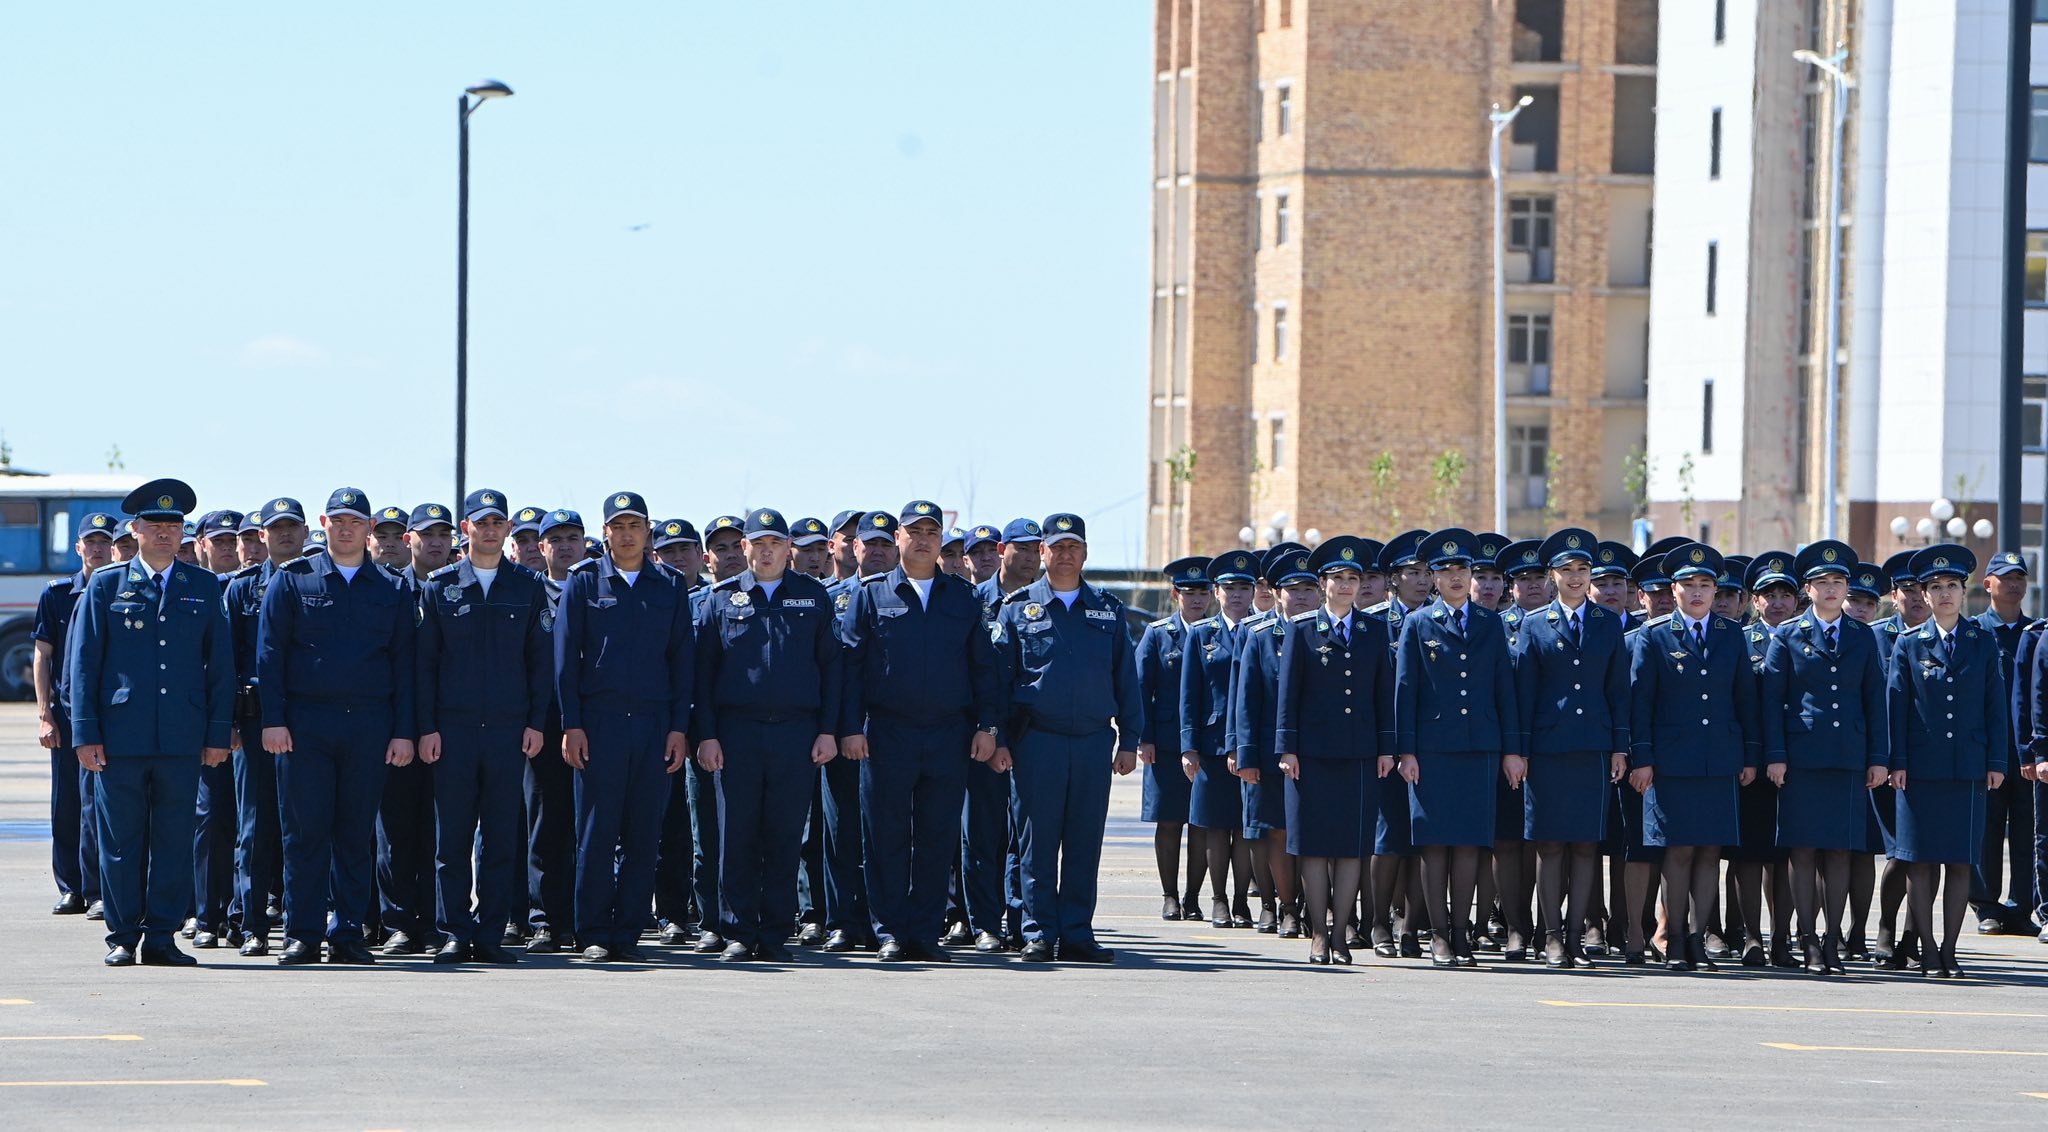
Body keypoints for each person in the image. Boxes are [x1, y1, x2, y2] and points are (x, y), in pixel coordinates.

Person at [65, 479, 234, 967]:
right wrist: (85, 733)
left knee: (174, 839)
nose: (165, 534)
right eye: (155, 526)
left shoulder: (202, 585)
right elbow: (84, 663)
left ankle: (161, 935)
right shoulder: (106, 585)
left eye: (173, 526)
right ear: (135, 530)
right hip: (121, 736)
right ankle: (122, 935)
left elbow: (219, 666)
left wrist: (217, 733)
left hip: (182, 736)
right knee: (120, 840)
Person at [256, 488, 419, 965]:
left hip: (370, 724)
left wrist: (403, 730)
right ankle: (303, 932)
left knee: (354, 833)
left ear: (369, 528)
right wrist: (273, 721)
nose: (346, 528)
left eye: (356, 521)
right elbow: (269, 656)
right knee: (304, 834)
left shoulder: (391, 588)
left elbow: (404, 665)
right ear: (323, 524)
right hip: (306, 725)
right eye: (338, 520)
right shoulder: (293, 580)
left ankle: (347, 930)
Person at [837, 500, 1004, 960]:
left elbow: (983, 670)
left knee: (937, 836)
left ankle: (925, 933)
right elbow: (849, 668)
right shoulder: (872, 595)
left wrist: (988, 727)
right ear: (898, 538)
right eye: (915, 531)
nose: (924, 539)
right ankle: (890, 930)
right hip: (887, 732)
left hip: (948, 733)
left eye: (932, 532)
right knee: (886, 836)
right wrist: (850, 729)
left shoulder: (964, 597)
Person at [990, 513, 1142, 962]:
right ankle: (1038, 932)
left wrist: (1130, 739)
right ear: (1042, 553)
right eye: (1056, 547)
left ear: (1085, 553)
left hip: (1093, 741)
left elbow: (1126, 680)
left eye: (1073, 546)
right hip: (1038, 741)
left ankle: (1077, 932)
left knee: (1083, 840)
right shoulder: (1017, 609)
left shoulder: (1108, 610)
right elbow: (1000, 681)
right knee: (1037, 842)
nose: (1064, 555)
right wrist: (997, 738)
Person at [694, 508, 841, 962]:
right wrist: (708, 735)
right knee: (735, 835)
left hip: (797, 732)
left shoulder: (813, 598)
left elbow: (832, 670)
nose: (767, 550)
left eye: (776, 542)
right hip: (736, 733)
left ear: (788, 549)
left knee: (783, 836)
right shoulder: (720, 600)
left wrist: (827, 731)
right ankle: (738, 931)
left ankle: (775, 932)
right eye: (758, 543)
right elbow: (702, 676)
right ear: (744, 548)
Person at [555, 492, 694, 964]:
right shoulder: (585, 581)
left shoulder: (670, 585)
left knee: (642, 835)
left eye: (636, 524)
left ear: (648, 530)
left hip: (655, 724)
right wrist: (571, 724)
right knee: (596, 832)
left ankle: (628, 931)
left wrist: (679, 728)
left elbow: (681, 662)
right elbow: (566, 661)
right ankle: (593, 930)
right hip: (600, 723)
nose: (628, 533)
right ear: (607, 532)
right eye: (619, 525)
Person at [415, 489, 554, 965]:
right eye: (481, 522)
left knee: (500, 837)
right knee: (451, 839)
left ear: (508, 529)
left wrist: (536, 723)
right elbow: (425, 665)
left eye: (498, 522)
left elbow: (540, 664)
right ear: (466, 529)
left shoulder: (527, 586)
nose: (490, 529)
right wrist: (427, 727)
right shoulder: (439, 586)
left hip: (507, 730)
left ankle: (490, 932)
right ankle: (454, 930)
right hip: (451, 731)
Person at [1627, 543, 1761, 973]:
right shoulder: (1655, 635)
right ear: (1674, 589)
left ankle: (1701, 939)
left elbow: (1745, 700)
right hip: (1672, 761)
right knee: (1677, 853)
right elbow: (1641, 703)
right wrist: (1642, 758)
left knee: (1708, 852)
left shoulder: (1729, 634)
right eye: (1689, 584)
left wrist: (1750, 755)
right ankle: (1676, 938)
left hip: (1719, 758)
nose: (1698, 592)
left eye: (1706, 584)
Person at [1757, 540, 1888, 975]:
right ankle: (1808, 939)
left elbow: (1875, 700)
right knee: (1803, 851)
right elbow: (1772, 701)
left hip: (1848, 757)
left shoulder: (1861, 635)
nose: (1832, 589)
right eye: (1822, 582)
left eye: (1839, 582)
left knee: (1840, 851)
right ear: (1806, 591)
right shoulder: (1789, 635)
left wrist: (1878, 757)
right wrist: (1775, 755)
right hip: (1801, 757)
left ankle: (1833, 939)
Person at [1394, 528, 1520, 968]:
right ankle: (1440, 935)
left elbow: (1505, 689)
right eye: (1445, 570)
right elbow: (1405, 689)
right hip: (1432, 749)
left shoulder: (1490, 622)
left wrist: (1511, 749)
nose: (1454, 577)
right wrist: (1405, 751)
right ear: (1431, 577)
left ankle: (1464, 934)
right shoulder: (1418, 622)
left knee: (1469, 844)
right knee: (1433, 843)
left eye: (1462, 569)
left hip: (1480, 747)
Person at [1507, 528, 1629, 969]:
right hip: (1547, 748)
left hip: (1594, 748)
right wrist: (1518, 752)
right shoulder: (1534, 623)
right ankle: (1552, 936)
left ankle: (1576, 936)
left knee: (1585, 846)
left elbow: (1618, 691)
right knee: (1550, 846)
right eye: (1566, 570)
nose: (1575, 577)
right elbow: (1524, 693)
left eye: (1582, 569)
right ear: (1551, 576)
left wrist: (1619, 746)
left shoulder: (1607, 622)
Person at [1273, 536, 1393, 964]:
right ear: (1323, 583)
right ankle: (1319, 932)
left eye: (1353, 578)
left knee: (1352, 848)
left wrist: (1386, 748)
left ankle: (1341, 934)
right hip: (1312, 756)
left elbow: (1383, 696)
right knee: (1313, 846)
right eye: (1338, 578)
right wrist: (1287, 748)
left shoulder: (1373, 631)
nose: (1346, 586)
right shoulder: (1303, 630)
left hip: (1359, 755)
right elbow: (1288, 696)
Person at [1889, 545, 2008, 977]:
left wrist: (1996, 760)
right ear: (1923, 593)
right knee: (1919, 862)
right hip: (1920, 769)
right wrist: (1896, 761)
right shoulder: (1908, 643)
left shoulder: (1983, 641)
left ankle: (1951, 949)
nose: (1943, 594)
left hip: (1968, 767)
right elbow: (1896, 705)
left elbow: (1996, 706)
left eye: (1952, 587)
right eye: (1935, 587)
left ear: (1965, 592)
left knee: (1960, 861)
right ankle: (1927, 950)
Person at [1233, 545, 1327, 940]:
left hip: (1322, 751)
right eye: (1293, 588)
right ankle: (1288, 908)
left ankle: (1316, 906)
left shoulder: (1331, 631)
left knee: (1317, 833)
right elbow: (1246, 699)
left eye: (1309, 587)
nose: (1302, 596)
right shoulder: (1257, 635)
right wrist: (1245, 753)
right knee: (1277, 832)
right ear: (1275, 592)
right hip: (1273, 752)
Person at [375, 502, 455, 955]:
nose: (436, 542)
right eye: (427, 534)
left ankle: (437, 921)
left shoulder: (461, 588)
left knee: (443, 831)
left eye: (444, 534)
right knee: (396, 830)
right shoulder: (389, 590)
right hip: (399, 727)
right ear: (410, 541)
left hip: (449, 727)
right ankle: (399, 922)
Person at [818, 510, 900, 951]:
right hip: (839, 731)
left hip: (889, 732)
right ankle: (843, 921)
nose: (878, 550)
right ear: (852, 547)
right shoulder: (828, 597)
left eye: (887, 543)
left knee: (887, 831)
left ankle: (882, 920)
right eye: (870, 543)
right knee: (840, 831)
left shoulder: (906, 597)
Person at [960, 517, 1043, 952]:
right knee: (983, 833)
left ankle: (1021, 920)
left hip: (1031, 735)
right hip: (985, 736)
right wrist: (988, 732)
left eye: (1036, 550)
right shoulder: (975, 601)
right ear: (1002, 550)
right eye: (1021, 549)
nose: (1029, 558)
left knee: (1022, 836)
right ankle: (984, 923)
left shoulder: (1043, 602)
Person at [34, 511, 118, 918]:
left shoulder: (120, 588)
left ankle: (98, 887)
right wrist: (44, 714)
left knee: (96, 802)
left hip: (108, 711)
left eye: (106, 541)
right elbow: (42, 655)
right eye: (92, 542)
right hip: (66, 714)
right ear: (79, 547)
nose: (99, 549)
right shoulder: (57, 593)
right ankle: (70, 886)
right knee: (67, 801)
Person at [1179, 548, 1260, 929]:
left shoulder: (1265, 630)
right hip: (1211, 746)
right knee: (1214, 826)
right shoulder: (1201, 634)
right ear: (1216, 591)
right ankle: (1218, 899)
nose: (1239, 595)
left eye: (1246, 586)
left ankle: (1243, 900)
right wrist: (1188, 746)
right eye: (1230, 587)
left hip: (1254, 745)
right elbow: (1189, 694)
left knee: (1246, 827)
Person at [523, 508, 587, 954]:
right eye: (555, 538)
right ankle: (544, 918)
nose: (565, 545)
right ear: (540, 547)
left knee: (590, 824)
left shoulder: (598, 587)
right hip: (544, 722)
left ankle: (583, 918)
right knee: (546, 821)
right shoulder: (528, 593)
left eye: (572, 537)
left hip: (592, 720)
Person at [1135, 557, 1212, 920]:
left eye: (1202, 592)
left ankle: (1193, 896)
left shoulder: (1217, 632)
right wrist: (1143, 737)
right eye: (1188, 593)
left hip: (1207, 742)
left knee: (1201, 824)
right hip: (1164, 743)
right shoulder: (1158, 633)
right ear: (1174, 594)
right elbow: (1140, 689)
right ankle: (1169, 895)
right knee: (1169, 821)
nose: (1196, 600)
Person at [1368, 529, 1430, 958]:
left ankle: (1411, 926)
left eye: (1428, 572)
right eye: (1413, 572)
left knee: (1421, 838)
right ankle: (1377, 922)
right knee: (1388, 839)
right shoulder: (1374, 623)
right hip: (1387, 746)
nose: (1422, 580)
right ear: (1394, 578)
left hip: (1431, 744)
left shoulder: (1442, 618)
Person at [1970, 551, 2038, 936]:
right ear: (1988, 584)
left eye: (2020, 578)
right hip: (1987, 749)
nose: (2014, 584)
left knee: (2028, 830)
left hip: (2026, 750)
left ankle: (2021, 908)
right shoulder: (1976, 632)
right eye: (2006, 577)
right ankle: (1987, 907)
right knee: (1987, 831)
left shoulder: (2036, 633)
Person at [187, 509, 245, 948]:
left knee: (251, 825)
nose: (226, 547)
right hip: (204, 725)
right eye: (217, 540)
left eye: (232, 540)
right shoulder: (190, 591)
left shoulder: (256, 588)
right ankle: (205, 915)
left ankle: (243, 913)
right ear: (201, 544)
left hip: (250, 724)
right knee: (207, 821)